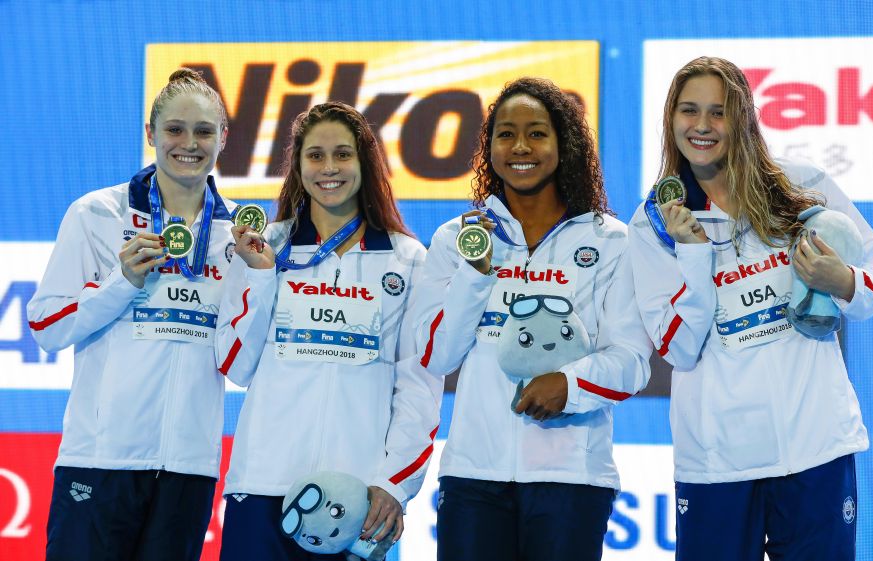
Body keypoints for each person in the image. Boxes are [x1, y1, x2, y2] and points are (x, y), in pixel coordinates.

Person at [628, 56, 873, 561]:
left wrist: (842, 280)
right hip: (717, 461)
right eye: (689, 111)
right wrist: (696, 253)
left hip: (814, 446)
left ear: (744, 117)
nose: (702, 126)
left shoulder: (800, 185)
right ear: (670, 119)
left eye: (719, 112)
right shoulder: (655, 222)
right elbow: (678, 349)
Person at [413, 77, 651, 561]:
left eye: (537, 133)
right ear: (489, 148)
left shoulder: (612, 242)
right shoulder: (456, 239)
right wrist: (475, 276)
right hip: (473, 476)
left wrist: (570, 385)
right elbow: (435, 355)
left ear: (564, 145)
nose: (521, 146)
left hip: (571, 479)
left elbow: (632, 361)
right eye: (505, 134)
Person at [215, 101, 442, 561]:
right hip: (262, 485)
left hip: (354, 501)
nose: (329, 168)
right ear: (298, 166)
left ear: (365, 162)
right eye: (315, 156)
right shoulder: (266, 247)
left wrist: (393, 483)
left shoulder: (409, 260)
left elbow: (419, 388)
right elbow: (236, 365)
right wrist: (259, 275)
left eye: (343, 154)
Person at [27, 68, 236, 561]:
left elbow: (239, 353)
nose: (189, 143)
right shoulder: (97, 214)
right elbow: (46, 326)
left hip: (189, 466)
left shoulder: (237, 239)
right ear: (150, 134)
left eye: (204, 131)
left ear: (223, 138)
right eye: (175, 129)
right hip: (101, 458)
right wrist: (122, 283)